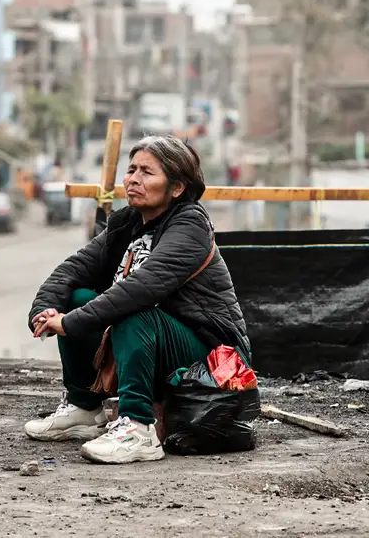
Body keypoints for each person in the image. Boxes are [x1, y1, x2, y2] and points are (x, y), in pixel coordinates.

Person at [25, 135, 251, 465]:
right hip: (154, 342)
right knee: (78, 297)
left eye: (147, 172)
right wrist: (45, 310)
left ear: (177, 187)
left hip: (213, 359)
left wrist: (70, 324)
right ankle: (84, 408)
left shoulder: (190, 225)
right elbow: (74, 268)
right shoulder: (129, 223)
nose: (133, 178)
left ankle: (138, 428)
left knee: (131, 310)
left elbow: (142, 288)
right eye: (131, 170)